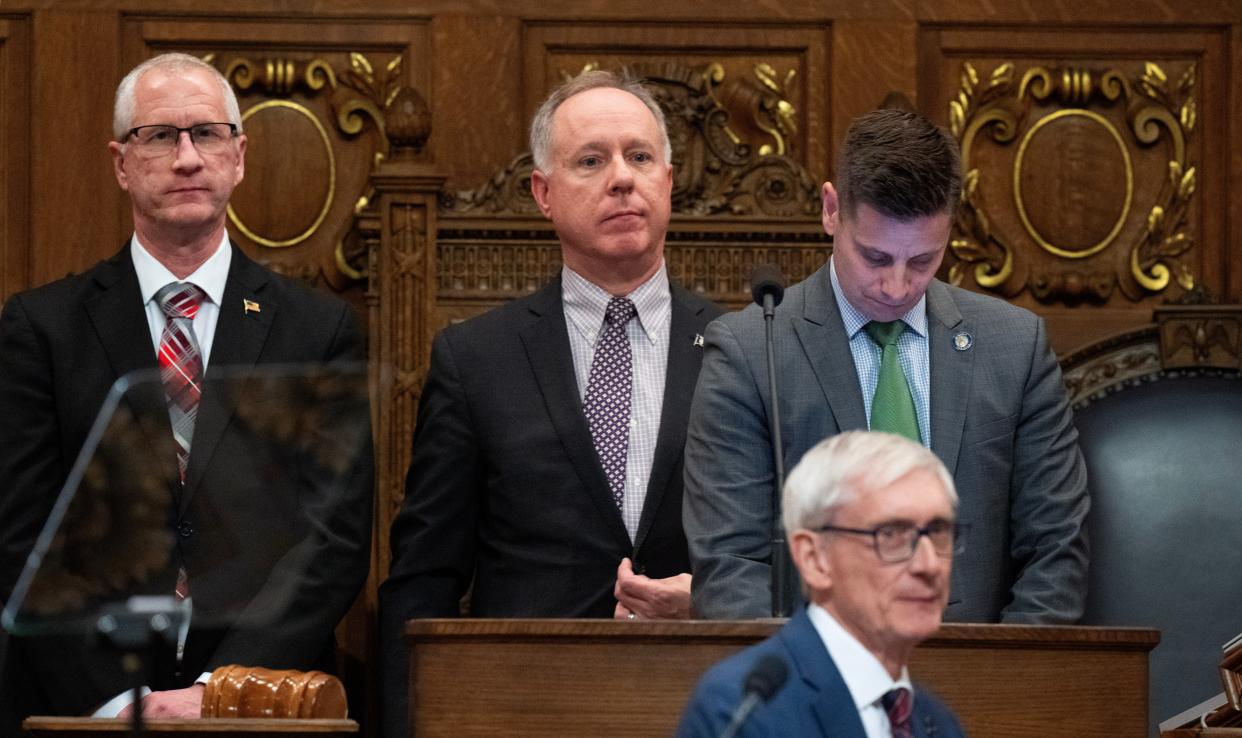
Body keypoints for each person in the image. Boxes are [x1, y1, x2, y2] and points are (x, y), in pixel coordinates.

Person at [0, 53, 372, 726]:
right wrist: (115, 705)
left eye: (207, 133)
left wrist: (221, 691)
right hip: (80, 709)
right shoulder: (41, 329)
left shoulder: (318, 330)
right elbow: (22, 533)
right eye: (159, 136)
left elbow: (333, 539)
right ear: (121, 163)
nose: (187, 156)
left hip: (265, 703)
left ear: (240, 154)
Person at [378, 70, 722, 736]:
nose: (621, 178)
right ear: (544, 192)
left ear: (669, 182)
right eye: (591, 161)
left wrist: (711, 603)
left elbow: (784, 560)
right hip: (523, 706)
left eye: (640, 157)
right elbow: (423, 579)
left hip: (699, 700)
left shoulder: (741, 351)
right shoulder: (474, 360)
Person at [683, 108, 1088, 623]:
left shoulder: (1014, 347)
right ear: (832, 210)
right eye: (874, 258)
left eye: (922, 261)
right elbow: (729, 562)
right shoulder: (749, 351)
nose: (897, 286)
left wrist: (1001, 688)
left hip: (980, 681)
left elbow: (1056, 548)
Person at [677, 431, 967, 737]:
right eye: (891, 535)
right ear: (814, 559)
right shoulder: (743, 709)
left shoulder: (936, 722)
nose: (929, 565)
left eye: (938, 532)